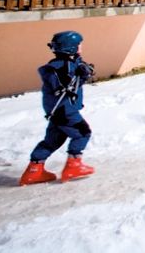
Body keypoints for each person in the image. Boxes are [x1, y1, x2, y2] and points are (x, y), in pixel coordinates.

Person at [19, 31, 96, 186]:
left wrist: (85, 70)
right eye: (79, 45)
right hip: (65, 110)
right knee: (82, 133)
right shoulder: (60, 68)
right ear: (71, 48)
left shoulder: (69, 62)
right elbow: (65, 84)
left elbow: (79, 71)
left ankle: (34, 170)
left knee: (52, 140)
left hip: (57, 111)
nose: (81, 47)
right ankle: (73, 165)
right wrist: (80, 75)